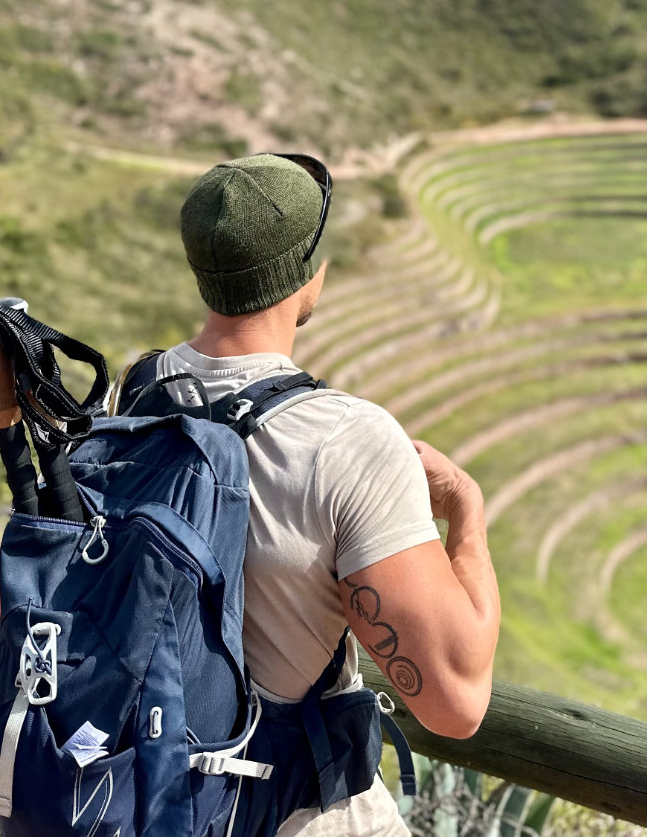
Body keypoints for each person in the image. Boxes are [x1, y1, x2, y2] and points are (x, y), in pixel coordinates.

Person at [117, 152, 501, 836]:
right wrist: (467, 513)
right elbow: (456, 702)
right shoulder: (348, 439)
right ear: (309, 270)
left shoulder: (141, 387)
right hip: (292, 812)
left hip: (151, 788)